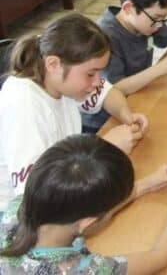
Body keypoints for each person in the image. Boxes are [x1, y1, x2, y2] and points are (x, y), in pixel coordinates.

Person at [0, 14, 149, 210]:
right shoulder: (23, 104)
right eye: (91, 73)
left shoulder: (60, 80)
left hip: (64, 190)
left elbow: (108, 93)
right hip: (21, 214)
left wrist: (126, 116)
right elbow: (37, 193)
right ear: (53, 64)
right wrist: (103, 148)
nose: (97, 81)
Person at [0, 134, 167, 274]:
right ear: (87, 222)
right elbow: (158, 258)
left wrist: (145, 184)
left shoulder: (18, 206)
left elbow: (81, 210)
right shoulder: (81, 269)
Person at [83, 0, 167, 133]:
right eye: (156, 18)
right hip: (103, 120)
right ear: (128, 8)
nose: (159, 25)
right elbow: (116, 89)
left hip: (136, 99)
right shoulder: (105, 37)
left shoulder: (145, 23)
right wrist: (162, 68)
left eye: (164, 19)